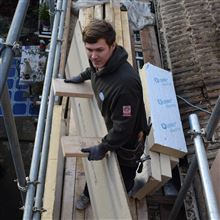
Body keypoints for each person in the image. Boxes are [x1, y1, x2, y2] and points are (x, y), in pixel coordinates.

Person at [64, 19, 151, 210]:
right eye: (89, 49)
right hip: (112, 123)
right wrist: (83, 76)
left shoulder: (125, 85)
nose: (93, 56)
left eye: (99, 50)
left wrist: (104, 146)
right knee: (99, 166)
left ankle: (125, 192)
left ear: (113, 46)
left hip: (127, 141)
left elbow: (123, 129)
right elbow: (94, 69)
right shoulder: (100, 62)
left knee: (124, 172)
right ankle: (89, 193)